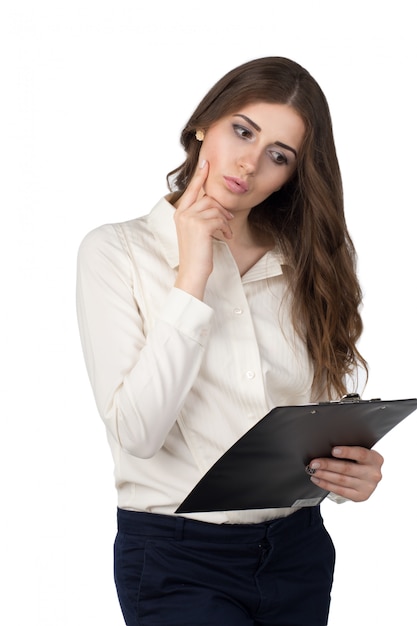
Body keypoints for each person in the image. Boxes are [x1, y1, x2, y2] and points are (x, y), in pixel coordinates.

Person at [76, 57, 383, 626]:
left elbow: (307, 421)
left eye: (278, 155)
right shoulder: (115, 254)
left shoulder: (307, 264)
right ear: (203, 125)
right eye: (242, 130)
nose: (249, 162)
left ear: (293, 174)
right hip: (176, 557)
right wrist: (192, 274)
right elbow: (138, 434)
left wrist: (347, 475)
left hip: (298, 552)